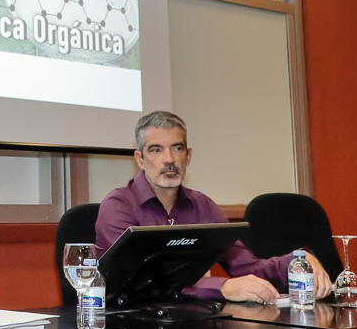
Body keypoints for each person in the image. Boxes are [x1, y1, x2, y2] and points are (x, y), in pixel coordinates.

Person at [94, 110, 333, 304]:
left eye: (177, 148)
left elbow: (248, 267)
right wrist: (223, 287)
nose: (169, 159)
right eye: (156, 150)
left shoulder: (203, 207)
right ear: (140, 159)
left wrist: (297, 261)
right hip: (126, 327)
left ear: (188, 156)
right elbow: (139, 284)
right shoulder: (118, 206)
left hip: (185, 324)